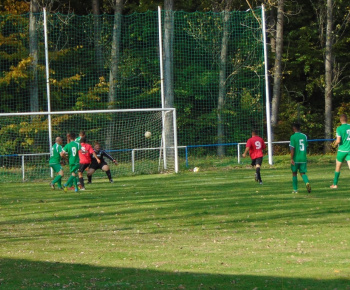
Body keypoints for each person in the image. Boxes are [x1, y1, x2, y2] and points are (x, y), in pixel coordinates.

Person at [290, 123, 311, 193]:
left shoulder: (293, 137)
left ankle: (295, 189)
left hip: (296, 158)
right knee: (302, 173)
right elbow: (306, 146)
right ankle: (307, 182)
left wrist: (291, 158)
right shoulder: (304, 136)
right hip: (303, 158)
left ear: (294, 128)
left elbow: (292, 148)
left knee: (294, 173)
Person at [330, 114, 350, 189]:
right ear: (347, 119)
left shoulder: (339, 128)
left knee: (338, 166)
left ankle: (335, 184)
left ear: (340, 120)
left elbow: (338, 140)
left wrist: (334, 145)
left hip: (342, 150)